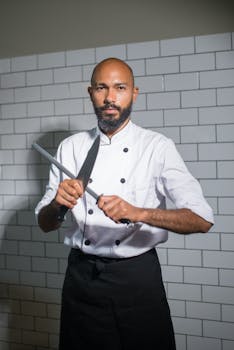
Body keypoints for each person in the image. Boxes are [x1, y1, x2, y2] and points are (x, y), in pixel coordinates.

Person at [35, 57, 214, 350]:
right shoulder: (70, 148)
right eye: (101, 88)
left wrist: (137, 212)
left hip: (137, 279)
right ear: (90, 92)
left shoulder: (157, 147)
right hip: (81, 278)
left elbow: (202, 219)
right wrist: (57, 205)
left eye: (120, 87)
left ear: (134, 92)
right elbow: (45, 224)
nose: (110, 97)